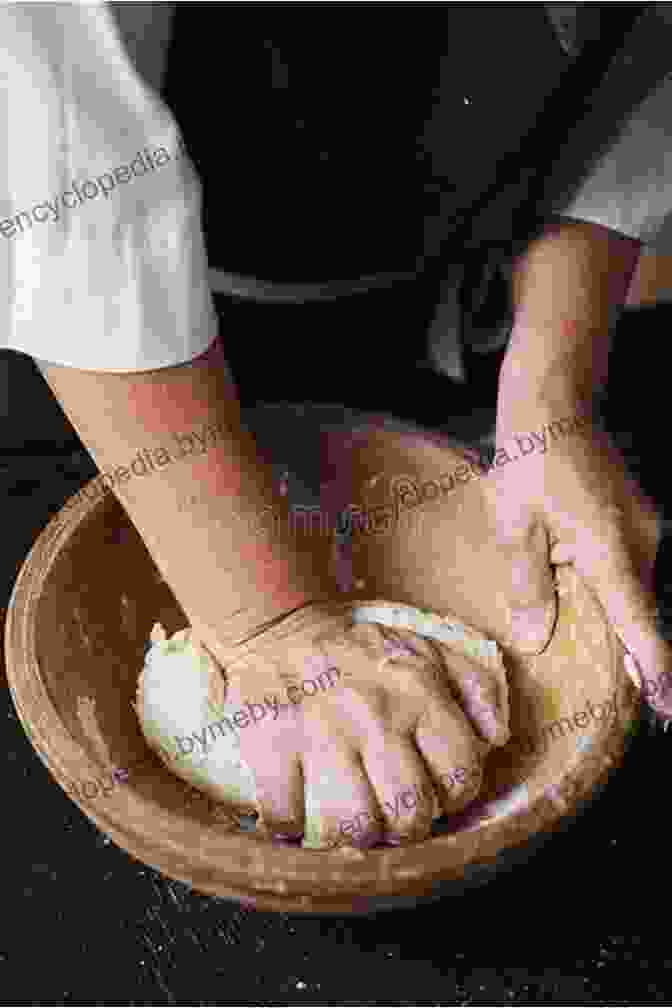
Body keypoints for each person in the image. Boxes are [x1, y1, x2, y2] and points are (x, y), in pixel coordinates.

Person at [2, 2, 671, 847]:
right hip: (83, 355)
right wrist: (268, 624)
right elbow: (60, 153)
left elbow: (646, 38)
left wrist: (551, 391)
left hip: (437, 266)